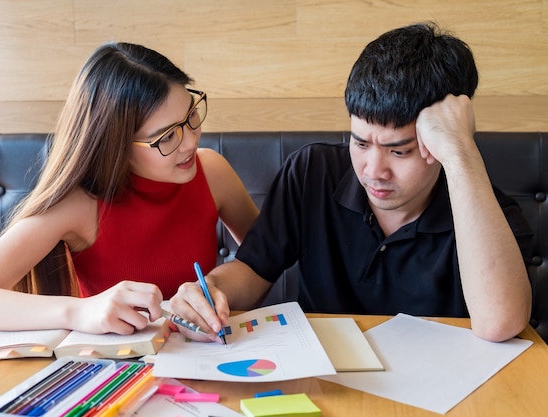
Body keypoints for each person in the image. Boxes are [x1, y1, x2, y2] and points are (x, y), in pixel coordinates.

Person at [171, 22, 533, 343]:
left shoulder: (485, 213)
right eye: (360, 143)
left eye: (399, 151)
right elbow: (253, 269)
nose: (374, 171)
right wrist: (211, 289)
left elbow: (499, 323)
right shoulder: (313, 171)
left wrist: (461, 152)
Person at [0, 42, 259, 335]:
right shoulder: (81, 205)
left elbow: (265, 263)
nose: (189, 142)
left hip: (204, 356)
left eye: (191, 117)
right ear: (117, 144)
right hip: (116, 371)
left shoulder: (212, 171)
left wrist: (217, 288)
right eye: (167, 137)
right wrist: (80, 311)